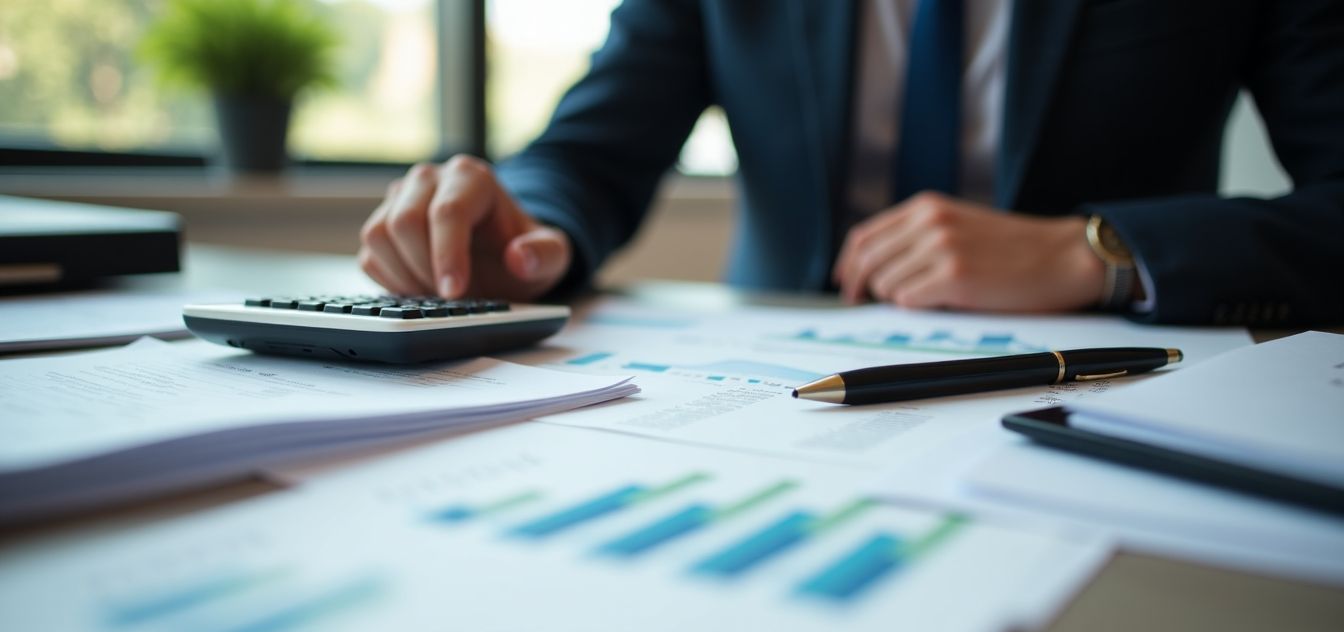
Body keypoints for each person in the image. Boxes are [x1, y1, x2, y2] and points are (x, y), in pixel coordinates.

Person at [357, 0, 1344, 326]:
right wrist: (519, 228)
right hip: (769, 404)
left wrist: (1102, 251)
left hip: (1117, 394)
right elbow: (589, 151)